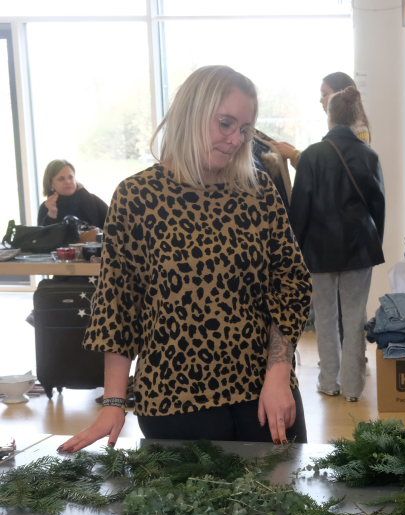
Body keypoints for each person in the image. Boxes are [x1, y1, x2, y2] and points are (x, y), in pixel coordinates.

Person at [58, 65, 311, 452]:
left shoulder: (258, 191)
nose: (235, 139)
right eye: (225, 123)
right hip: (175, 403)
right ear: (192, 112)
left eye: (245, 129)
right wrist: (113, 403)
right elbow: (119, 305)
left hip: (264, 397)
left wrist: (279, 372)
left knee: (284, 493)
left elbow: (291, 285)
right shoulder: (137, 197)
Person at [289, 86, 385, 401]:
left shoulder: (312, 155)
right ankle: (354, 386)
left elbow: (299, 208)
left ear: (329, 117)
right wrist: (375, 244)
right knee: (355, 317)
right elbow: (378, 206)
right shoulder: (368, 155)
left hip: (318, 250)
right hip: (359, 247)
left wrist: (296, 249)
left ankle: (329, 381)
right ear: (355, 117)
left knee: (325, 317)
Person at [269, 71, 370, 168]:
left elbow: (331, 170)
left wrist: (293, 154)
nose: (320, 100)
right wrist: (293, 152)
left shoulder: (359, 133)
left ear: (340, 96)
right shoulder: (351, 129)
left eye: (324, 95)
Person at [37, 159, 108, 228]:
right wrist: (52, 214)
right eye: (61, 179)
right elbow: (41, 235)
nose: (68, 182)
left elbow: (111, 225)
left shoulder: (92, 200)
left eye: (70, 177)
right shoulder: (46, 208)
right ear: (51, 184)